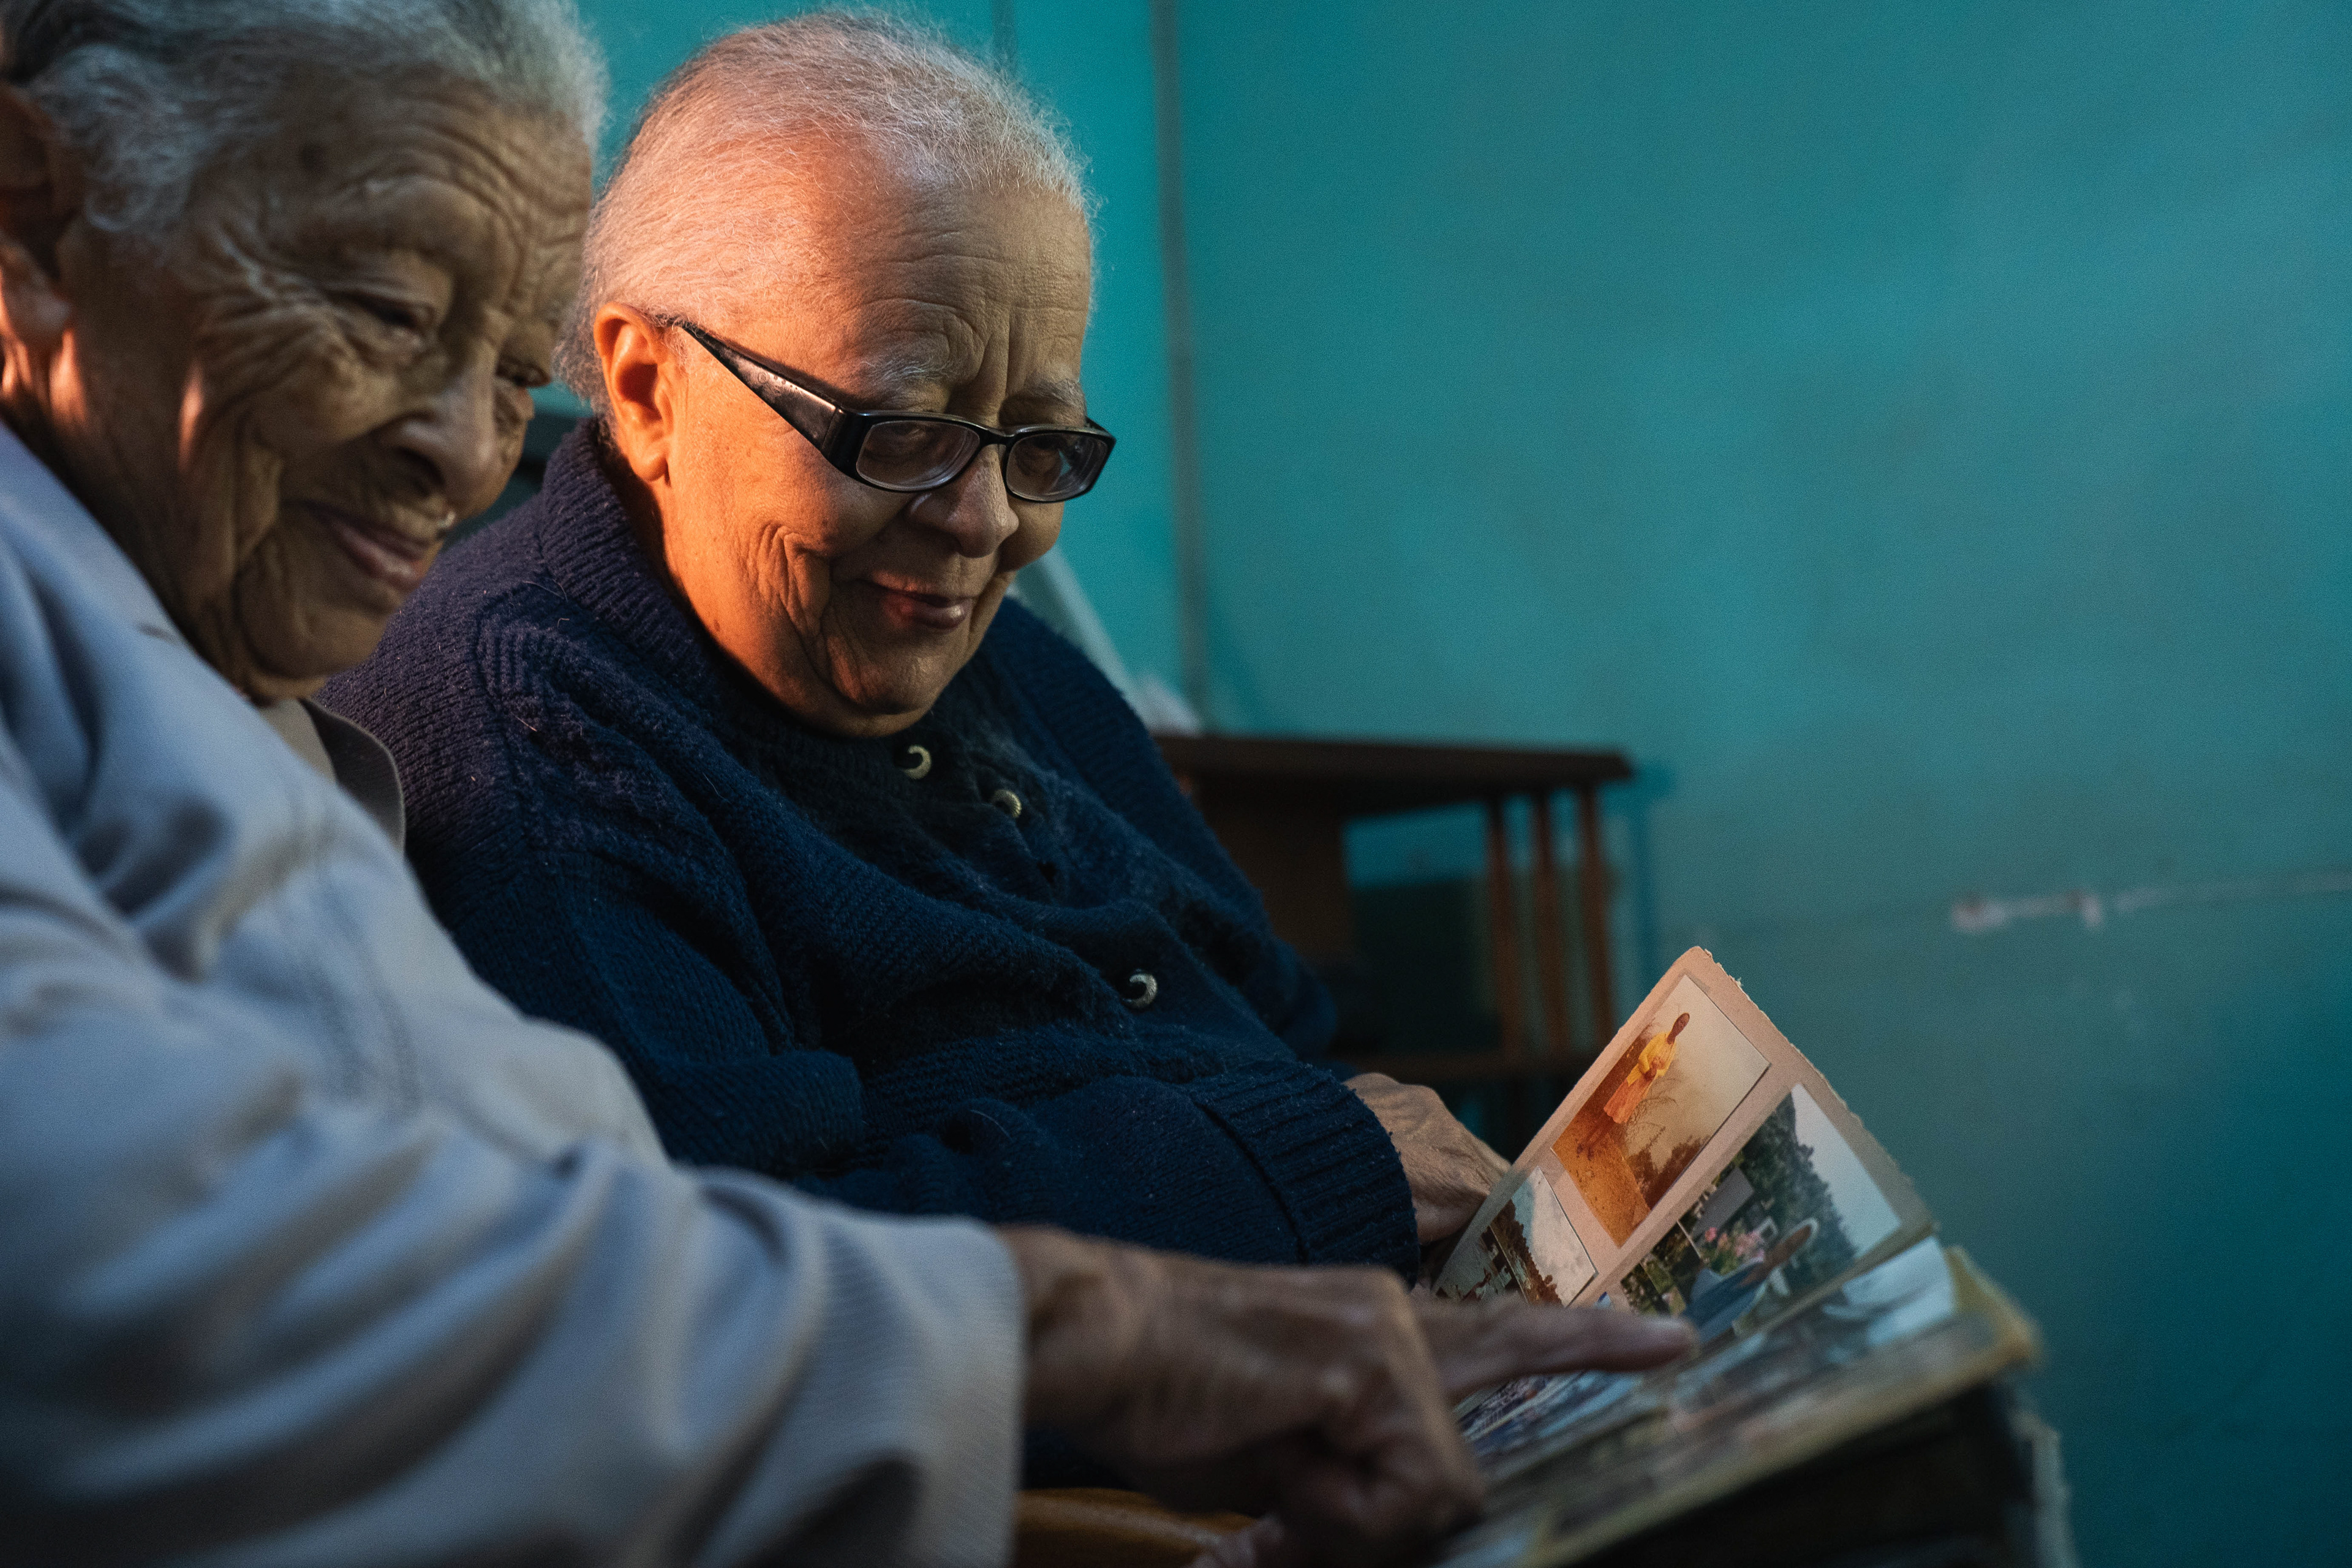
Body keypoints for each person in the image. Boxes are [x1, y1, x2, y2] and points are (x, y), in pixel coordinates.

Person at [0, 3, 1692, 1564]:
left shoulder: (235, 691)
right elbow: (192, 1303)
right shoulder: (488, 700)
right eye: (382, 315)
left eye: (509, 378)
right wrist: (1121, 1316)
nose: (459, 455)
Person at [323, 10, 1507, 1283]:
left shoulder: (1011, 671)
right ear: (646, 389)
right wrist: (1305, 1168)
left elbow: (1289, 1033)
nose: (987, 523)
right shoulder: (524, 735)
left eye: (1040, 445)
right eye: (897, 431)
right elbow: (735, 1294)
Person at [1684, 1219, 1822, 1344]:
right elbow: (1721, 1284)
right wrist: (1703, 1272)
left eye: (1789, 1248)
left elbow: (1736, 1329)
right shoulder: (1754, 1263)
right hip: (1691, 1315)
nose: (1781, 1247)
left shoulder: (1765, 1293)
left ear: (1789, 1259)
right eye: (1785, 1241)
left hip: (1699, 1339)